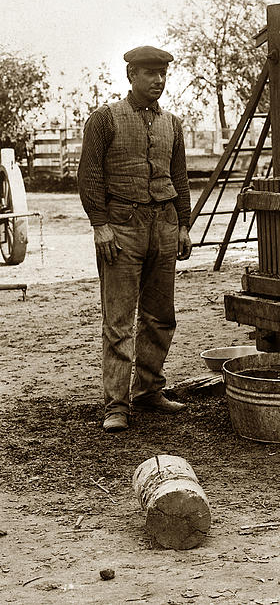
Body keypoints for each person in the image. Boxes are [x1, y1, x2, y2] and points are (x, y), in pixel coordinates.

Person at [77, 45, 192, 433]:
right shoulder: (105, 119)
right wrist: (100, 224)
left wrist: (184, 225)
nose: (158, 80)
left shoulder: (172, 124)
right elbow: (89, 175)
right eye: (149, 73)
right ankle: (116, 404)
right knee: (120, 320)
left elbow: (179, 179)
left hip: (163, 223)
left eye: (162, 74)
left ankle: (148, 390)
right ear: (131, 76)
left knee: (160, 316)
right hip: (121, 227)